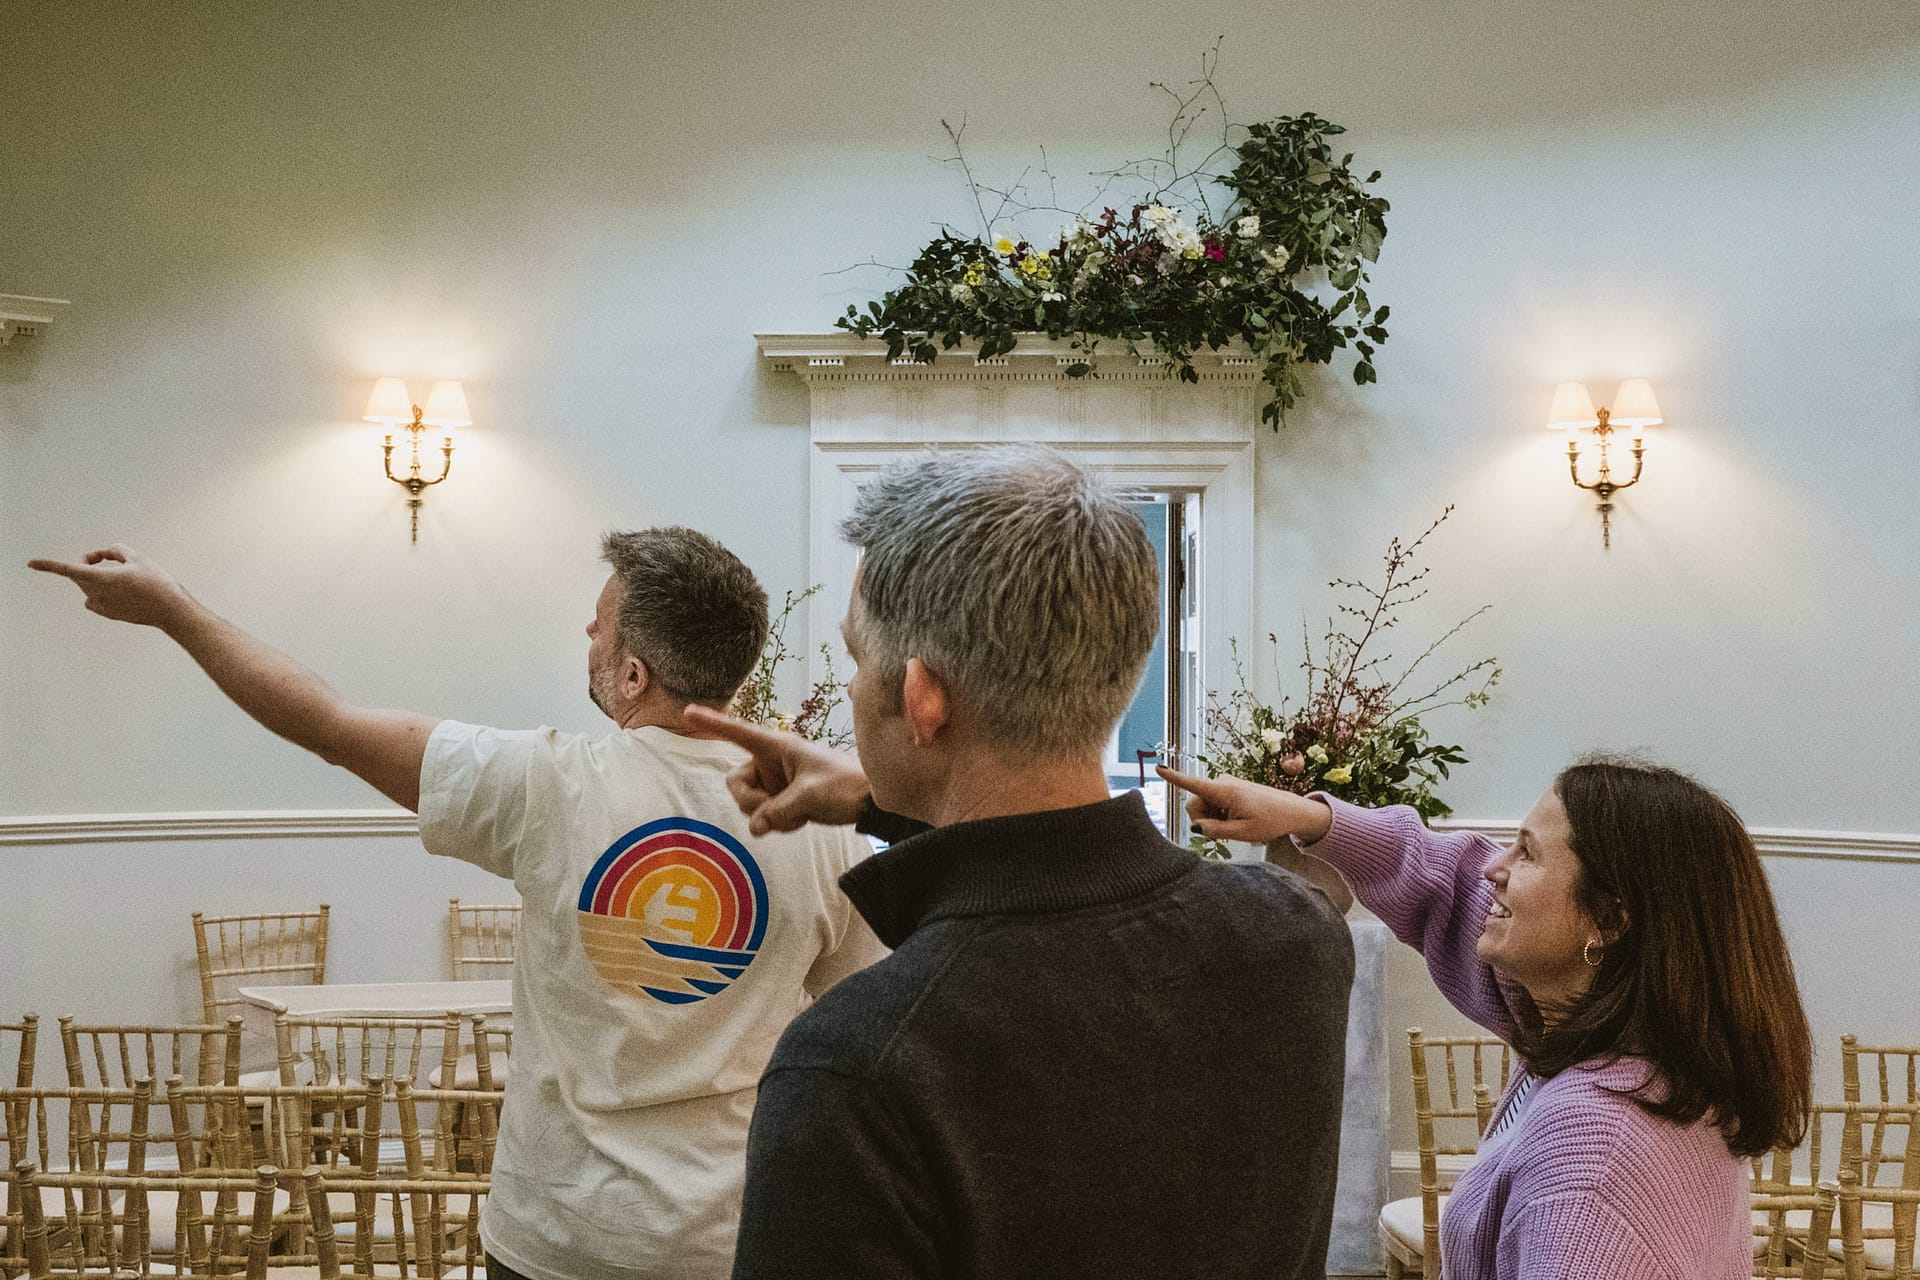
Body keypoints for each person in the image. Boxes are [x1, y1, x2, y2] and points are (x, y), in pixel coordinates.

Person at [28, 529, 888, 1280]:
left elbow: (326, 722)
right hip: (729, 1239)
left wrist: (174, 609)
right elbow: (867, 1026)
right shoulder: (830, 825)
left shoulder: (546, 787)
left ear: (634, 673)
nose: (586, 633)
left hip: (560, 1235)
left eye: (600, 623)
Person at [681, 445, 1356, 1280]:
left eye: (858, 659)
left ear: (923, 697)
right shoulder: (1295, 940)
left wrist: (882, 796)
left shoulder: (861, 1066)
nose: (851, 691)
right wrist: (876, 796)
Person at [1159, 756, 1813, 1280]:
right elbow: (1453, 884)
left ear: (1609, 921)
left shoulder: (1593, 1152)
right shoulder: (1644, 1051)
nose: (1495, 869)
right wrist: (1307, 817)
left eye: (1526, 853)